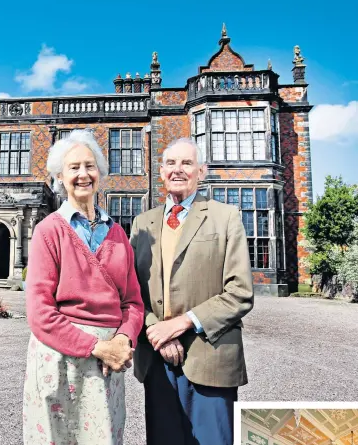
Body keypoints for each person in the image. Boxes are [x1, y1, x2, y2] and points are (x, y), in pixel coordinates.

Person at [23, 129, 144, 445]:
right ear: (59, 177)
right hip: (61, 358)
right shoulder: (48, 231)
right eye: (73, 167)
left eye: (89, 166)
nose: (83, 174)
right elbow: (39, 313)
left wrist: (121, 340)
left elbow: (133, 303)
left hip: (109, 361)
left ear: (100, 173)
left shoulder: (117, 234)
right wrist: (96, 347)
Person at [130, 137, 254, 445]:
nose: (178, 170)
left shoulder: (225, 217)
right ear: (161, 171)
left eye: (186, 163)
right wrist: (155, 330)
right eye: (171, 163)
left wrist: (181, 323)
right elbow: (131, 293)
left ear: (201, 170)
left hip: (210, 356)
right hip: (157, 359)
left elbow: (240, 291)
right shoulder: (142, 223)